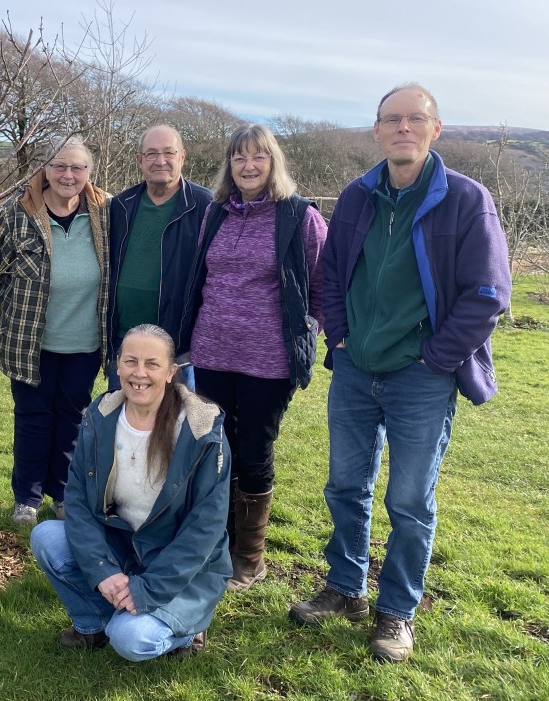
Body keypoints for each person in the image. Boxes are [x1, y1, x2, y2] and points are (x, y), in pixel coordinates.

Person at [289, 84, 511, 663]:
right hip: (356, 372)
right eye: (393, 120)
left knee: (409, 500)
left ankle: (397, 610)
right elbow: (331, 274)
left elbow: (488, 294)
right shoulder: (357, 196)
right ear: (378, 130)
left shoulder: (466, 199)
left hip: (422, 378)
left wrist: (436, 359)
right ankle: (345, 589)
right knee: (344, 487)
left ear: (436, 129)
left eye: (416, 119)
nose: (403, 128)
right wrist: (337, 337)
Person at [30, 324, 231, 661]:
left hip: (180, 565)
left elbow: (204, 530)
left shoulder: (202, 432)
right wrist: (103, 570)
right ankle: (93, 624)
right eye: (130, 361)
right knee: (47, 537)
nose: (139, 373)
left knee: (132, 641)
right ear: (117, 366)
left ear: (171, 373)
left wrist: (147, 590)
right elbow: (77, 500)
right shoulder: (100, 416)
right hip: (122, 546)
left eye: (152, 364)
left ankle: (185, 632)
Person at [188, 124, 327, 591]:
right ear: (229, 165)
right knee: (216, 448)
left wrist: (309, 328)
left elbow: (322, 284)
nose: (248, 166)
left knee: (252, 448)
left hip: (268, 359)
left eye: (258, 157)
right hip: (212, 351)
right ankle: (217, 541)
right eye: (239, 158)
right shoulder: (216, 214)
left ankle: (249, 557)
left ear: (273, 163)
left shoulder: (299, 217)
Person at [0, 136, 110, 525]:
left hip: (85, 343)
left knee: (72, 418)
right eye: (59, 165)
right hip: (28, 341)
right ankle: (26, 497)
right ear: (44, 168)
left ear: (89, 174)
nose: (68, 174)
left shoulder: (106, 213)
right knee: (33, 417)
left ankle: (61, 493)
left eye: (77, 167)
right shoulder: (17, 213)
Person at [107, 124, 213, 390]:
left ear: (182, 157)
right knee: (121, 423)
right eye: (152, 153)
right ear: (139, 159)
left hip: (176, 345)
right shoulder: (121, 205)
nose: (160, 160)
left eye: (168, 152)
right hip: (124, 340)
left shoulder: (205, 206)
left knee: (175, 424)